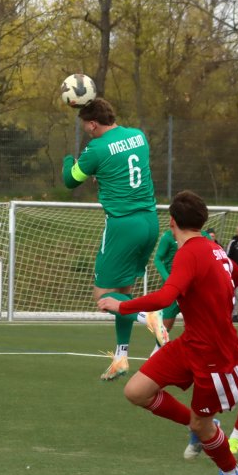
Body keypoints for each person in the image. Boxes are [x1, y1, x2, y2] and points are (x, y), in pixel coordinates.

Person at [96, 191, 238, 475]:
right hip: (191, 343)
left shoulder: (189, 253)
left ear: (172, 222)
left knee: (203, 427)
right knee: (136, 391)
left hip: (214, 353)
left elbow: (164, 297)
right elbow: (234, 276)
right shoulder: (215, 250)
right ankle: (202, 424)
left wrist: (120, 305)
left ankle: (231, 474)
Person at [61, 97, 166, 381]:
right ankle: (121, 357)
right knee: (123, 292)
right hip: (150, 221)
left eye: (86, 126)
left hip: (122, 226)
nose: (86, 130)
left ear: (93, 123)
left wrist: (68, 159)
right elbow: (119, 166)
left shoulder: (96, 148)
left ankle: (149, 317)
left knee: (104, 296)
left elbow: (70, 180)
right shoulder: (138, 136)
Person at [152, 227, 216, 337]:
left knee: (194, 326)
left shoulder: (205, 236)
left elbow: (211, 258)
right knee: (165, 329)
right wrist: (169, 279)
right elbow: (158, 259)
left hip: (193, 288)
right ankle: (157, 350)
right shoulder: (168, 237)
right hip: (173, 288)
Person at [228, 225, 238, 323]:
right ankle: (234, 314)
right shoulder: (233, 242)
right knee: (235, 294)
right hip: (236, 274)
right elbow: (227, 256)